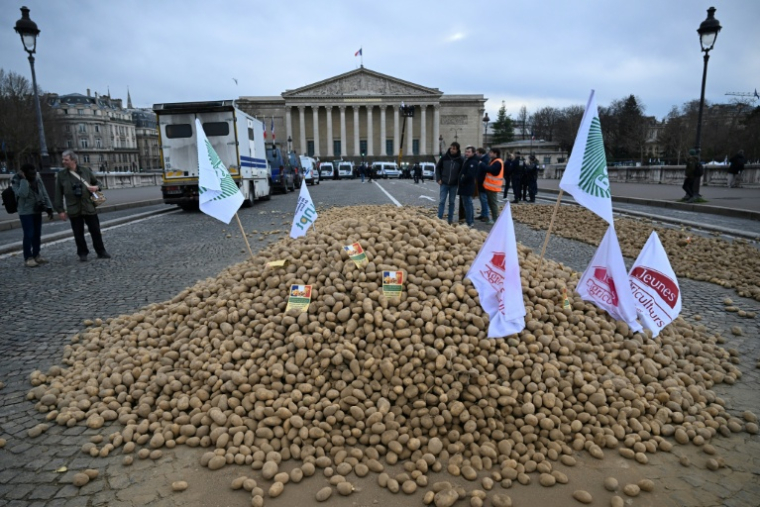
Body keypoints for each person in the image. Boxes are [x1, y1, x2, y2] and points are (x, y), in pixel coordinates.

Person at [54, 149, 111, 262]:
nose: (63, 162)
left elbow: (98, 183)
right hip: (73, 207)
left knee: (95, 230)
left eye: (66, 159)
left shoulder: (85, 171)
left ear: (73, 160)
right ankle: (82, 253)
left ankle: (101, 251)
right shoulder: (61, 175)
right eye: (63, 159)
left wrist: (96, 188)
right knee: (78, 233)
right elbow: (58, 194)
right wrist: (60, 210)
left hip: (88, 206)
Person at [11, 164, 54, 267]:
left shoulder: (37, 178)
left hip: (36, 209)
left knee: (37, 234)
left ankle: (36, 255)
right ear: (24, 173)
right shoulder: (16, 180)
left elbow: (44, 192)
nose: (34, 175)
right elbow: (23, 194)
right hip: (25, 211)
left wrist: (49, 207)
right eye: (31, 174)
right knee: (29, 234)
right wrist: (24, 180)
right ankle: (28, 257)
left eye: (34, 172)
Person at [435, 142, 463, 224]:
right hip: (444, 183)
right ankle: (439, 218)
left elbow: (461, 171)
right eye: (451, 148)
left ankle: (450, 219)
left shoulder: (460, 159)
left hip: (454, 184)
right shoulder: (444, 157)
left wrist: (459, 181)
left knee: (452, 202)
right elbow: (438, 168)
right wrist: (438, 178)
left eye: (454, 149)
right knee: (442, 201)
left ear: (457, 150)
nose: (452, 150)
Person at [482, 148, 505, 225]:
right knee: (491, 203)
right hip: (490, 186)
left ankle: (495, 218)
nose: (489, 154)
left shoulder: (497, 162)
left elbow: (493, 171)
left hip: (493, 186)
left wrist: (483, 166)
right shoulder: (494, 161)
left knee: (493, 203)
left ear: (495, 153)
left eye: (491, 152)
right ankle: (494, 217)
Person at [458, 146, 479, 227]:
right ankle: (469, 220)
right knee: (467, 204)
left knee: (467, 204)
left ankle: (469, 222)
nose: (466, 153)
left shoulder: (472, 162)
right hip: (465, 186)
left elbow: (470, 175)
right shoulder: (468, 160)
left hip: (467, 186)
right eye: (466, 152)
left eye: (469, 152)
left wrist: (462, 180)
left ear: (473, 153)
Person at [475, 147, 490, 221]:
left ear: (480, 153)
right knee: (481, 199)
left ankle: (486, 215)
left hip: (484, 182)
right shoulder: (482, 159)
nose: (476, 154)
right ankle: (483, 214)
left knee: (484, 199)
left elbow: (485, 170)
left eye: (477, 153)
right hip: (481, 182)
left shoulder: (485, 160)